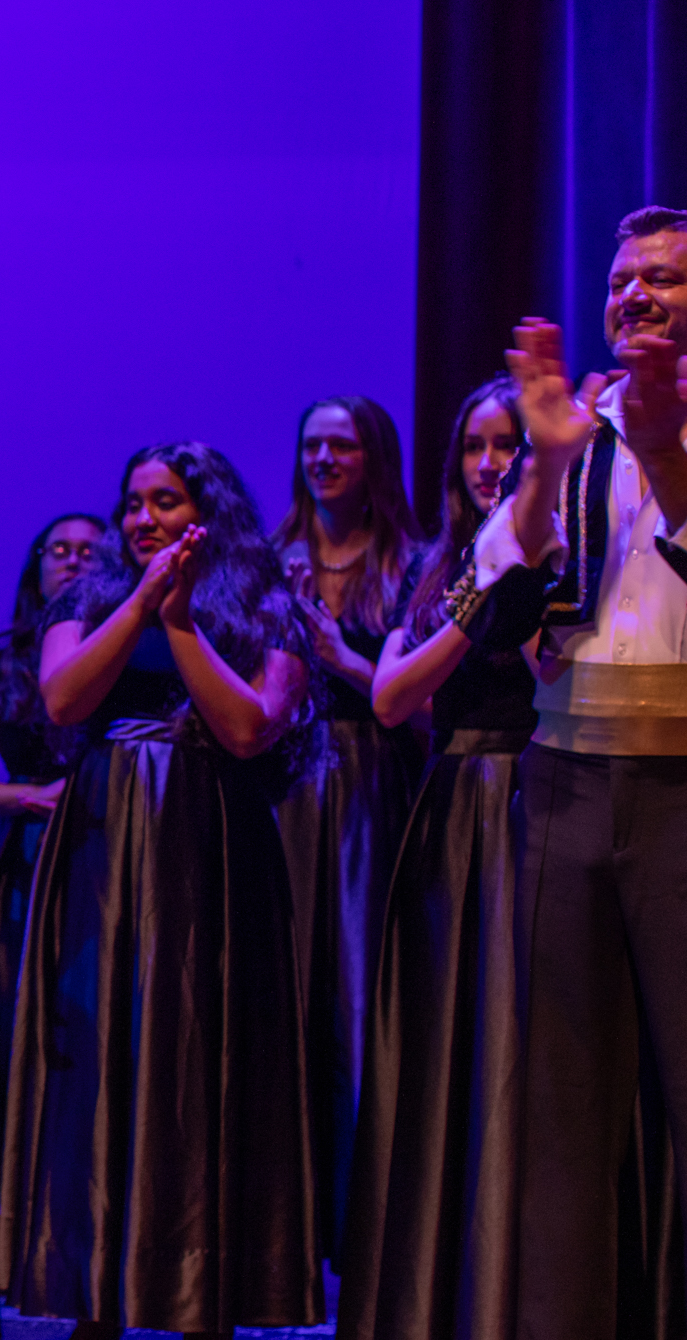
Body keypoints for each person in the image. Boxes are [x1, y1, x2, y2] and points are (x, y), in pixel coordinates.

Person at [486, 206, 687, 1340]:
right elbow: (494, 582)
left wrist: (672, 462)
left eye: (662, 276)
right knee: (561, 1117)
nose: (632, 294)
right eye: (618, 278)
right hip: (566, 783)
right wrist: (542, 465)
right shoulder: (571, 435)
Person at [1, 443, 320, 1340]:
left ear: (204, 515)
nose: (142, 519)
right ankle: (93, 1297)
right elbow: (64, 698)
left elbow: (249, 727)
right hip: (105, 847)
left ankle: (207, 1306)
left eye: (165, 502)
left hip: (210, 844)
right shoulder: (85, 604)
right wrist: (140, 605)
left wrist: (179, 627)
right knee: (100, 1057)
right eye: (133, 503)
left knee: (206, 1058)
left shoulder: (265, 609)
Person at [337, 377, 540, 1340]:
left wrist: (524, 578)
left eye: (506, 443)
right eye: (472, 445)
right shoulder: (436, 567)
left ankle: (513, 1339)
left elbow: (558, 677)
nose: (487, 462)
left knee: (516, 1066)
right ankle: (424, 1333)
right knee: (440, 1063)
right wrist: (475, 605)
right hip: (450, 804)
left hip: (538, 803)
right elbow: (387, 697)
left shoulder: (565, 549)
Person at [270, 394, 423, 1254]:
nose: (324, 459)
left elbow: (420, 707)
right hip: (287, 779)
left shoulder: (409, 562)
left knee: (360, 990)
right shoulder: (273, 557)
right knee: (284, 984)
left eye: (342, 446)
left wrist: (339, 658)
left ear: (373, 459)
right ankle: (284, 1210)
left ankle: (361, 1217)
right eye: (312, 446)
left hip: (369, 777)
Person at [0, 512, 103, 1213]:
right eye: (58, 550)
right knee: (18, 1029)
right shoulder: (8, 655)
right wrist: (31, 796)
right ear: (36, 566)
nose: (72, 562)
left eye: (89, 551)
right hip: (26, 857)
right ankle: (15, 1206)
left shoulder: (127, 652)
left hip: (106, 850)